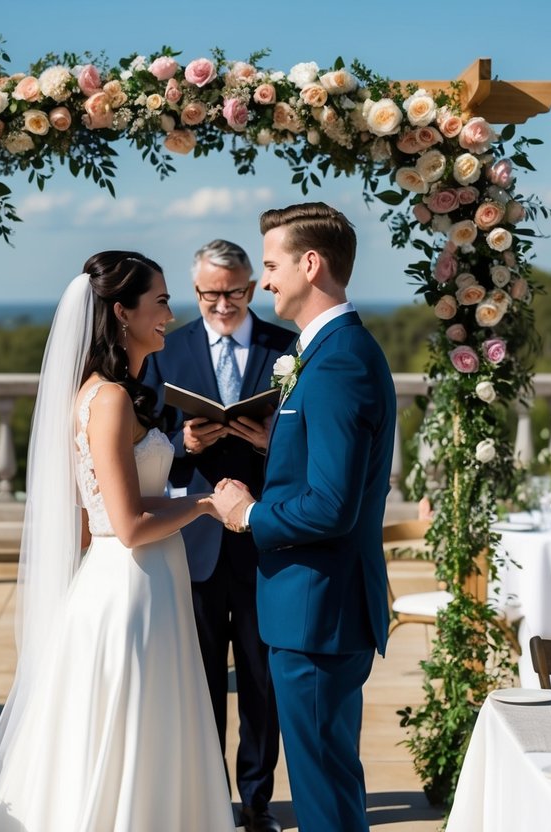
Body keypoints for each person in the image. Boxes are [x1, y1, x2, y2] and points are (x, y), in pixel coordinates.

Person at [0, 252, 234, 832]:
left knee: (147, 733)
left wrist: (193, 502)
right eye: (159, 301)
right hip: (131, 587)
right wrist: (206, 504)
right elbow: (128, 525)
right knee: (132, 733)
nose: (169, 312)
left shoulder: (111, 392)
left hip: (145, 580)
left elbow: (107, 512)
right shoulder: (107, 398)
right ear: (121, 311)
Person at [211, 203, 397, 832]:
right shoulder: (323, 352)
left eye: (270, 265)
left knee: (324, 792)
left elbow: (332, 507)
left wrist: (248, 514)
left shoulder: (340, 359)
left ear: (310, 264)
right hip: (314, 606)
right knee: (328, 779)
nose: (263, 281)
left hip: (319, 610)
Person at [142, 240, 293, 832]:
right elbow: (145, 441)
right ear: (195, 291)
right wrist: (187, 444)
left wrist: (267, 442)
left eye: (233, 292)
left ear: (252, 288)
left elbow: (307, 442)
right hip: (196, 541)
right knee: (199, 680)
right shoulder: (167, 349)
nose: (222, 304)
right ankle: (204, 804)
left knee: (262, 682)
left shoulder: (288, 349)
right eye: (210, 294)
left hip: (263, 541)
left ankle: (256, 807)